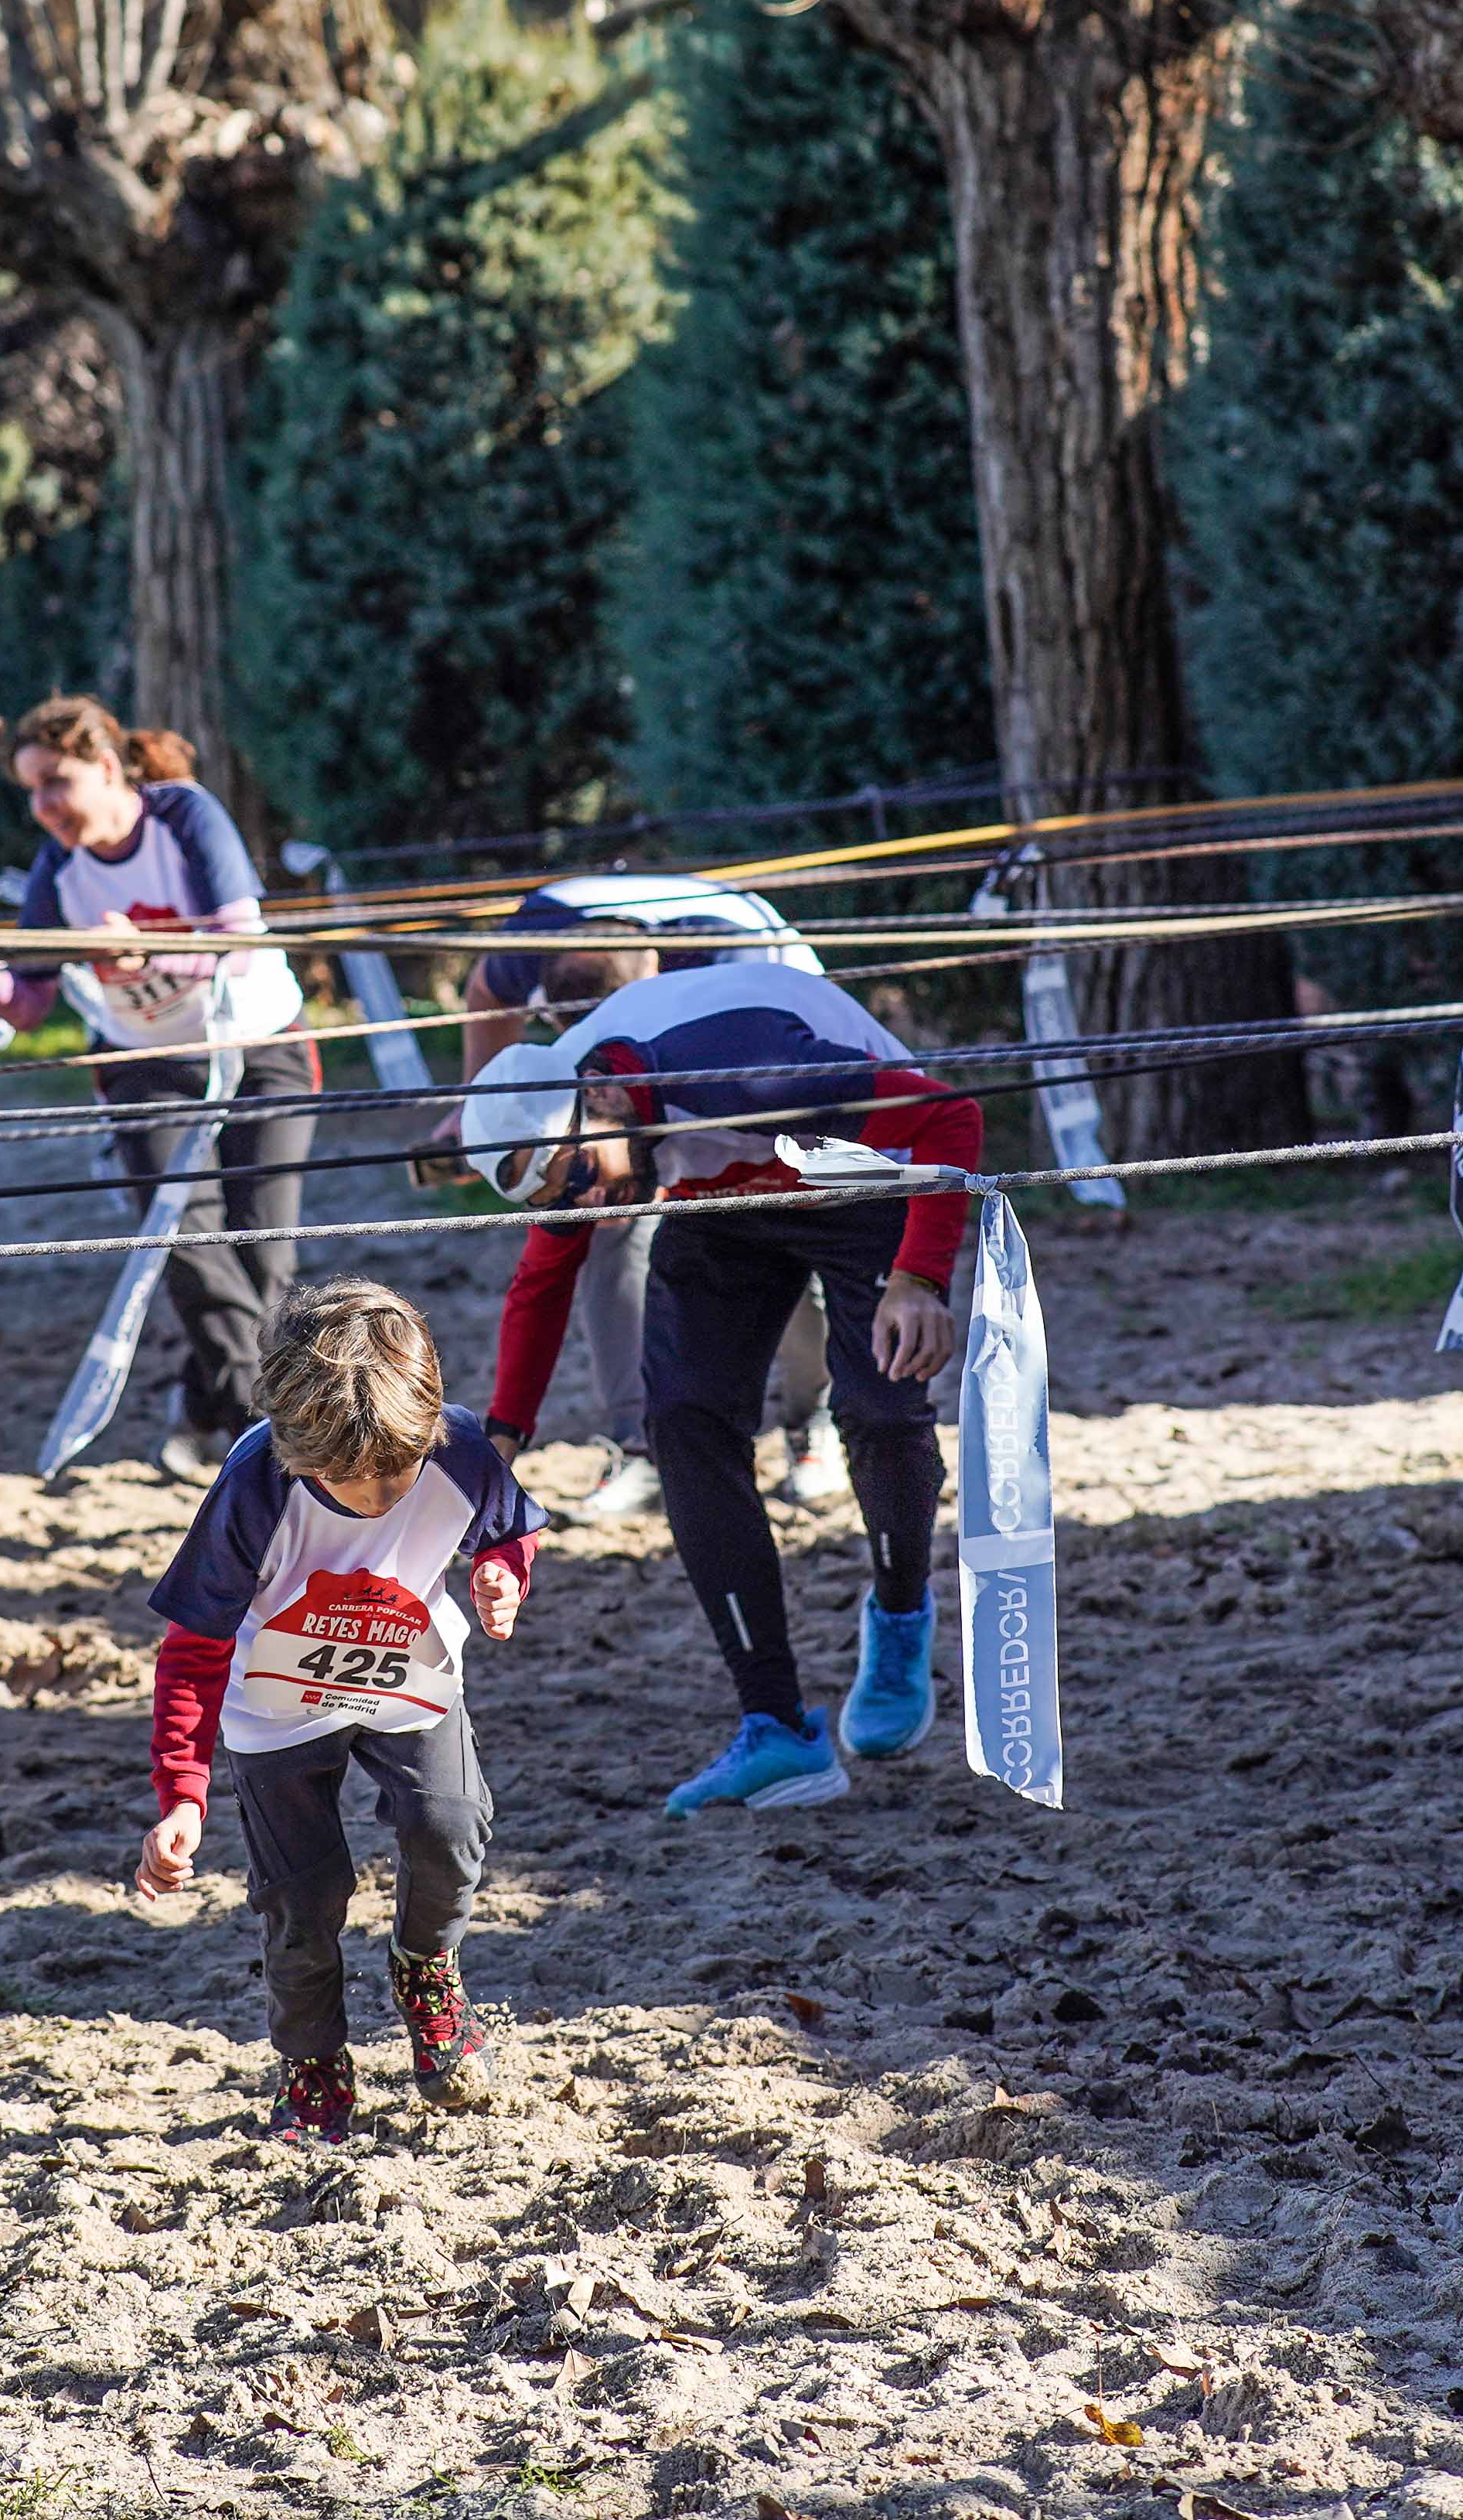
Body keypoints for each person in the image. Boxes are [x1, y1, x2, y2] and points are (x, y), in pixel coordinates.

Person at [462, 958, 974, 1818]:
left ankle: (898, 1613)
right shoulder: (571, 1118)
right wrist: (502, 1443)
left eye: (583, 1183)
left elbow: (950, 1114)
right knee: (682, 1420)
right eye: (565, 1202)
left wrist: (918, 1281)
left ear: (608, 1105)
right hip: (720, 1200)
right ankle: (775, 1727)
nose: (590, 1209)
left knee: (880, 1407)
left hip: (857, 1170)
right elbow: (541, 1283)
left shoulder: (742, 1070)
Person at [137, 1278, 537, 2145]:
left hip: (408, 1676)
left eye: (399, 1469)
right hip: (275, 1708)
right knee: (303, 1895)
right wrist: (182, 1793)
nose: (381, 1497)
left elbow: (507, 1524)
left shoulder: (459, 1450)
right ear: (293, 1447)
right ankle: (313, 2063)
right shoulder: (252, 1486)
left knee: (453, 1822)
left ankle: (426, 1972)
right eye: (351, 1481)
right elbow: (194, 1648)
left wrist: (503, 1569)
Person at [0, 695, 310, 1484]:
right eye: (31, 792)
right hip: (145, 1066)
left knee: (264, 1252)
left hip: (259, 1042)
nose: (44, 809)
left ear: (107, 768)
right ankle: (275, 1437)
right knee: (188, 1244)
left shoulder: (186, 817)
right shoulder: (58, 873)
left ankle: (205, 1404)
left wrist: (147, 955)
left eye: (56, 783)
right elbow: (33, 1000)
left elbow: (240, 943)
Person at [445, 872, 842, 1524]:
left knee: (782, 1217)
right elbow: (486, 990)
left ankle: (810, 1423)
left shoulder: (744, 961)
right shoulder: (532, 956)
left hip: (763, 1078)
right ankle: (640, 1444)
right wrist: (480, 1113)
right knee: (605, 1216)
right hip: (630, 1091)